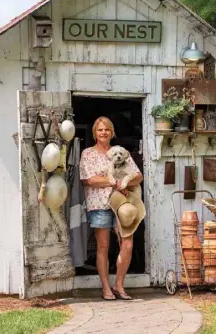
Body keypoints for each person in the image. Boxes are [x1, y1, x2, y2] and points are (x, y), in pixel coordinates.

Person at [80, 116, 143, 301]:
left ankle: (119, 285)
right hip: (100, 204)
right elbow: (89, 180)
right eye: (100, 129)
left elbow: (138, 176)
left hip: (123, 204)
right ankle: (106, 287)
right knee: (103, 246)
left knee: (127, 244)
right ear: (94, 133)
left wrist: (118, 181)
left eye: (107, 129)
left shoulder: (121, 152)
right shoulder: (88, 154)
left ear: (112, 132)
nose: (103, 132)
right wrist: (117, 183)